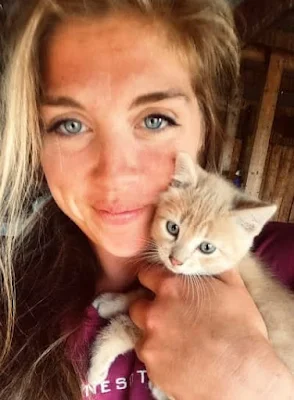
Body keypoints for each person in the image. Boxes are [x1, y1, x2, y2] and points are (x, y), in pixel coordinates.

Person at [0, 0, 293, 399]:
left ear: (205, 126)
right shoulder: (10, 298)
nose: (115, 173)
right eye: (70, 125)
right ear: (35, 143)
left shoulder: (286, 262)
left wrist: (260, 388)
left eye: (155, 119)